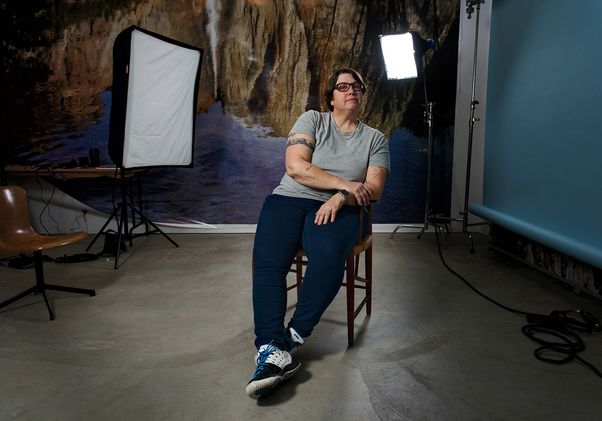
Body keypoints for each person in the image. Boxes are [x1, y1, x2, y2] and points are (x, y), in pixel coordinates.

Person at [246, 67, 390, 399]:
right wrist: (345, 183)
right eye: (343, 86)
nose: (352, 90)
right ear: (331, 97)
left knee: (326, 258)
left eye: (357, 86)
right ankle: (270, 346)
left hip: (345, 208)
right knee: (268, 264)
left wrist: (341, 197)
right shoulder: (312, 120)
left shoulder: (375, 139)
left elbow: (374, 188)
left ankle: (290, 339)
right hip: (289, 199)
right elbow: (295, 167)